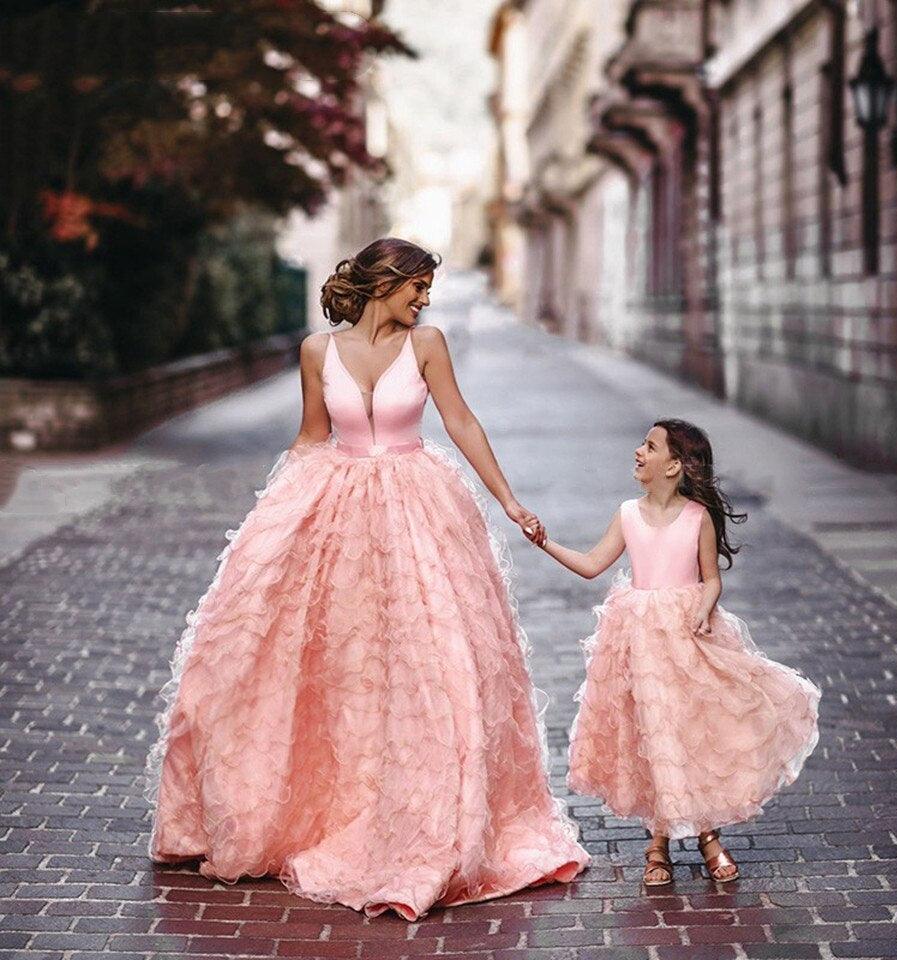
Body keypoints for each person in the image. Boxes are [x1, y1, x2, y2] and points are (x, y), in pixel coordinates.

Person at [143, 237, 589, 920]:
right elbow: (310, 436)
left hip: (418, 510)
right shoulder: (316, 352)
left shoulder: (428, 344)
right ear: (386, 282)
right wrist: (275, 516)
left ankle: (427, 816)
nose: (424, 300)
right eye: (417, 287)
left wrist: (508, 500)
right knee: (338, 663)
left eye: (428, 290)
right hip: (338, 509)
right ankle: (328, 808)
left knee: (427, 658)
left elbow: (460, 421)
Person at [536, 419, 820, 886]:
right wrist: (544, 541)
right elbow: (591, 565)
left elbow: (711, 579)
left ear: (673, 466)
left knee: (691, 730)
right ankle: (660, 843)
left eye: (650, 446)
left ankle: (705, 835)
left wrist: (705, 609)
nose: (638, 451)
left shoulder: (697, 517)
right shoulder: (628, 514)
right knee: (653, 734)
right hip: (638, 640)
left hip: (687, 638)